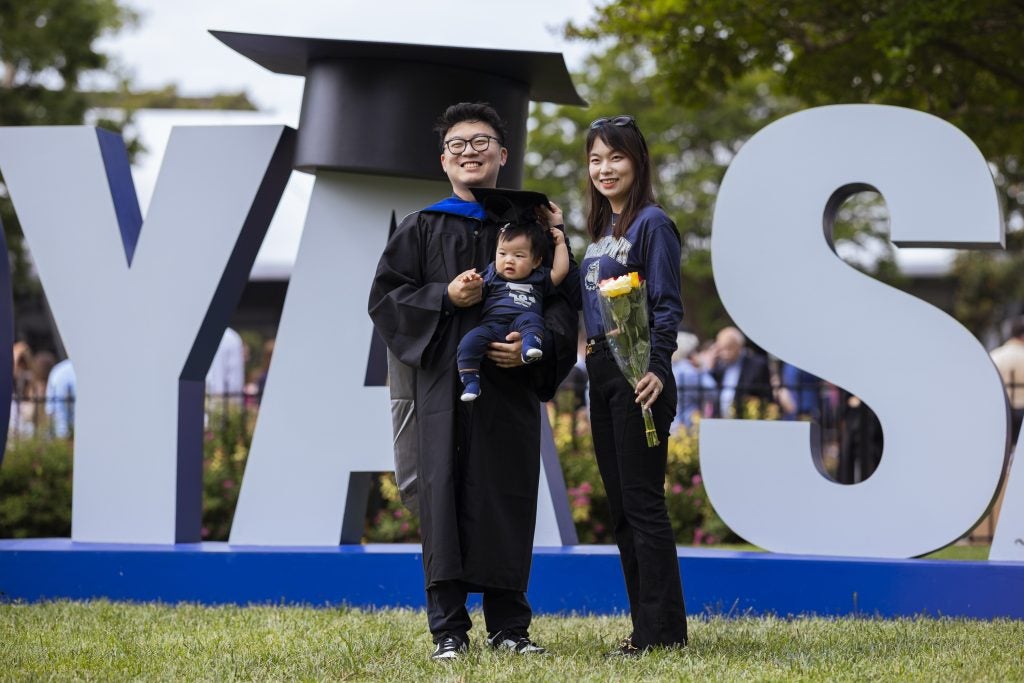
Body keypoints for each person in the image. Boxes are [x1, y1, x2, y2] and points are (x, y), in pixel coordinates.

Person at [368, 102, 579, 661]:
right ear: (444, 160)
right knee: (443, 499)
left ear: (503, 155)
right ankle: (448, 631)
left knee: (506, 497)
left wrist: (533, 351)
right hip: (445, 388)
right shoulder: (422, 226)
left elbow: (562, 302)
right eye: (459, 144)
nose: (470, 151)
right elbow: (385, 300)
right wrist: (445, 296)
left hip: (507, 391)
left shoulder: (533, 229)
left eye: (482, 142)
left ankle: (510, 628)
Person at [579, 114, 688, 655]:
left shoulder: (652, 224)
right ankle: (646, 627)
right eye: (595, 159)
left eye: (615, 157)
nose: (605, 168)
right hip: (603, 370)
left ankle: (662, 633)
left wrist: (657, 368)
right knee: (621, 506)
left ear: (637, 161)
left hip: (639, 373)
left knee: (643, 504)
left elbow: (667, 306)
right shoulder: (604, 232)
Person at [456, 190, 570, 401]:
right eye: (503, 254)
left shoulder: (538, 277)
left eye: (519, 256)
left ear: (536, 261)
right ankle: (471, 382)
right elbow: (477, 287)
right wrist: (468, 281)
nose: (509, 260)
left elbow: (560, 272)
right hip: (491, 326)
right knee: (468, 342)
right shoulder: (492, 273)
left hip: (521, 325)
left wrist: (561, 244)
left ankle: (530, 346)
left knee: (533, 320)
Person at [709, 326, 773, 418]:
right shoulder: (719, 366)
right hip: (722, 421)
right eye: (721, 349)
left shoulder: (757, 365)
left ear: (739, 346)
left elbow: (766, 398)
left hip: (746, 421)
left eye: (729, 348)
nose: (725, 354)